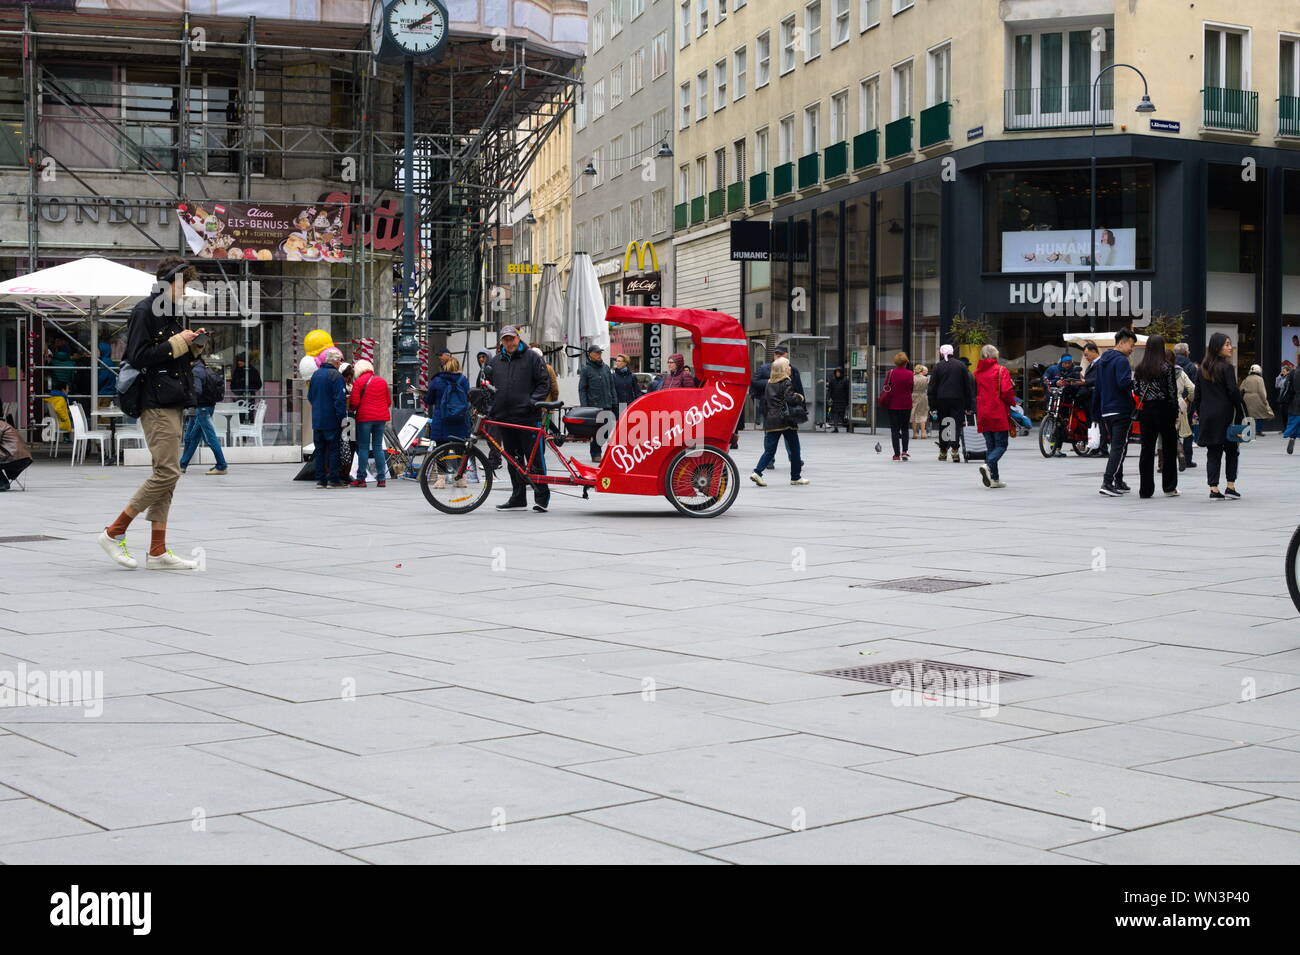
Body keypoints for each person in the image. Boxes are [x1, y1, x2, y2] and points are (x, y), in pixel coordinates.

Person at [97, 257, 206, 571]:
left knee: (168, 475)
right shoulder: (145, 310)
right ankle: (113, 532)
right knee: (167, 473)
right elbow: (138, 356)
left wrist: (193, 343)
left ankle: (157, 550)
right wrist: (177, 343)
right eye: (184, 284)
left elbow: (173, 356)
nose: (187, 291)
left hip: (173, 398)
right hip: (154, 401)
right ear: (169, 282)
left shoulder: (172, 313)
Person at [481, 325, 551, 512]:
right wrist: (491, 407)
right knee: (513, 460)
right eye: (506, 339)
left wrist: (532, 402)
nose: (509, 342)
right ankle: (518, 497)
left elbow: (544, 383)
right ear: (502, 342)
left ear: (518, 339)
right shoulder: (495, 362)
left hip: (527, 416)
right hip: (504, 417)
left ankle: (542, 497)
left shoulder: (532, 357)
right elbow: (488, 387)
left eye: (512, 338)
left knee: (534, 458)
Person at [1194, 332, 1246, 500]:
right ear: (1217, 347)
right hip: (1226, 415)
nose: (1230, 347)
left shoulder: (1202, 368)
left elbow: (1197, 395)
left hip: (1208, 416)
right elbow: (1233, 391)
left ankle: (1213, 488)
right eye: (1227, 344)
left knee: (1213, 451)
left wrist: (1202, 413)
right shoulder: (1227, 368)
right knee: (1231, 450)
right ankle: (1230, 486)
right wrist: (1241, 410)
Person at [1132, 335, 1180, 498]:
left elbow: (1137, 390)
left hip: (1147, 410)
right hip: (1165, 409)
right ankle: (1169, 486)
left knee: (1146, 450)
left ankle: (1145, 490)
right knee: (1169, 448)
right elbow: (1172, 392)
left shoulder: (1140, 368)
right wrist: (1175, 412)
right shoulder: (1167, 367)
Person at [749, 357, 808, 486]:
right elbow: (790, 398)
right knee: (795, 449)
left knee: (770, 450)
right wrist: (799, 397)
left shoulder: (769, 383)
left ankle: (757, 472)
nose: (790, 368)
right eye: (788, 366)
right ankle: (796, 477)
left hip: (772, 420)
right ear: (783, 369)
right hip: (786, 420)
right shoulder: (786, 381)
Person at [1092, 330, 1137, 496]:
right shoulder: (1121, 360)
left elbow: (1097, 388)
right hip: (1121, 409)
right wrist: (1137, 383)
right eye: (1131, 345)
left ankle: (1118, 480)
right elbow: (1124, 383)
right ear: (1122, 343)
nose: (1132, 349)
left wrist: (1095, 413)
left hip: (1106, 411)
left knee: (1117, 446)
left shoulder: (1103, 360)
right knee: (1119, 447)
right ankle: (1107, 482)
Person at [974, 344, 1015, 488]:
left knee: (990, 446)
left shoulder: (977, 372)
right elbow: (1006, 391)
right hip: (997, 411)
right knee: (1002, 444)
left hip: (983, 412)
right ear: (995, 355)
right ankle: (989, 464)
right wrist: (1013, 403)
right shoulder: (1001, 370)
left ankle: (994, 479)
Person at [179, 357, 229, 475]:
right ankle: (182, 465)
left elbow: (197, 390)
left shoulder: (196, 371)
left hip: (202, 408)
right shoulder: (207, 370)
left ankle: (221, 465)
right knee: (194, 437)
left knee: (210, 438)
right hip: (208, 406)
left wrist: (186, 398)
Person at [927, 343, 975, 463]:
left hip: (942, 400)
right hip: (958, 400)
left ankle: (943, 451)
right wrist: (969, 405)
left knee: (944, 424)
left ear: (942, 353)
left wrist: (932, 406)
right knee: (956, 425)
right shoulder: (961, 366)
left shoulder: (938, 367)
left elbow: (932, 388)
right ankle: (954, 450)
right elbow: (967, 387)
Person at [308, 346, 348, 489]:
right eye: (340, 361)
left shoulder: (316, 374)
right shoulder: (336, 376)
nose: (340, 364)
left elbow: (310, 396)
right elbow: (339, 400)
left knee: (320, 450)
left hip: (317, 420)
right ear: (336, 361)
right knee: (333, 449)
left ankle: (321, 480)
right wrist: (342, 418)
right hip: (331, 420)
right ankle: (333, 479)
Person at [349, 358, 392, 488]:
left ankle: (361, 479)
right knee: (378, 447)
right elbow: (388, 402)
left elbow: (354, 403)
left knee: (363, 447)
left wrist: (351, 408)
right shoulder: (382, 381)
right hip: (381, 418)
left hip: (365, 418)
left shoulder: (359, 382)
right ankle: (381, 479)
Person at [578, 343, 616, 462]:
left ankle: (597, 448)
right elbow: (582, 389)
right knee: (596, 431)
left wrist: (614, 401)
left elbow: (612, 386)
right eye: (597, 353)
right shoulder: (586, 370)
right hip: (594, 407)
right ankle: (596, 453)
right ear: (590, 355)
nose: (599, 355)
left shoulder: (606, 368)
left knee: (607, 429)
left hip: (607, 405)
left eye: (600, 352)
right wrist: (585, 407)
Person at [880, 352, 914, 460]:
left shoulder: (890, 373)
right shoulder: (910, 373)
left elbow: (886, 387)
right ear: (905, 362)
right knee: (905, 428)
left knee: (894, 430)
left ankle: (896, 454)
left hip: (893, 404)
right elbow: (911, 388)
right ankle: (904, 451)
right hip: (906, 404)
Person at [1173, 342, 1200, 468]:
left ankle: (1169, 459)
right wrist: (1189, 400)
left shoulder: (1169, 365)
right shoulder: (1190, 366)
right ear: (1185, 352)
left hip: (1170, 403)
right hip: (1185, 404)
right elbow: (1194, 387)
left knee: (1170, 431)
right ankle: (1187, 458)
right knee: (1187, 431)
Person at [1241, 364, 1274, 435]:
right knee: (1260, 415)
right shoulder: (1259, 379)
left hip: (1247, 397)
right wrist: (1265, 400)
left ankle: (1249, 430)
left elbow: (1241, 388)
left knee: (1249, 415)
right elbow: (1262, 391)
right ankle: (1258, 430)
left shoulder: (1247, 378)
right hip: (1257, 397)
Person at [0, 419, 32, 491]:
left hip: (14, 458)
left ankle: (2, 483)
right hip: (23, 458)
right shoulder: (4, 424)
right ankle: (3, 483)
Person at [231, 353, 262, 420]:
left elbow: (258, 384)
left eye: (241, 361)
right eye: (238, 361)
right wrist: (236, 391)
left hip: (249, 397)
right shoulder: (237, 371)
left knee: (248, 413)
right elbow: (233, 383)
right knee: (239, 416)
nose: (239, 362)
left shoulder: (253, 371)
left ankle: (248, 426)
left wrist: (249, 390)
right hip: (238, 397)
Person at [1277, 363, 1300, 454]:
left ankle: (1292, 438)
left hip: (1295, 400)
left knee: (1295, 420)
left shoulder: (1293, 372)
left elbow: (1286, 385)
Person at [827, 367, 850, 433]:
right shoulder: (832, 381)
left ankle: (847, 426)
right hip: (835, 400)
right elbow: (830, 390)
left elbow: (847, 391)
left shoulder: (845, 381)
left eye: (839, 372)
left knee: (842, 415)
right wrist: (828, 398)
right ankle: (836, 428)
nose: (837, 374)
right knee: (835, 414)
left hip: (843, 400)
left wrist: (847, 401)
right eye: (836, 372)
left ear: (841, 373)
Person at [910, 365, 929, 440]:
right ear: (921, 370)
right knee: (922, 414)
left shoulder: (912, 378)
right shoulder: (925, 378)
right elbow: (928, 387)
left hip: (913, 395)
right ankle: (923, 433)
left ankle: (915, 433)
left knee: (914, 414)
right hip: (923, 396)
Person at [96, 342, 117, 409]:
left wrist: (95, 383)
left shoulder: (105, 361)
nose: (96, 352)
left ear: (103, 350)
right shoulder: (107, 360)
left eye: (98, 350)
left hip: (105, 392)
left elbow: (103, 377)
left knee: (103, 415)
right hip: (107, 391)